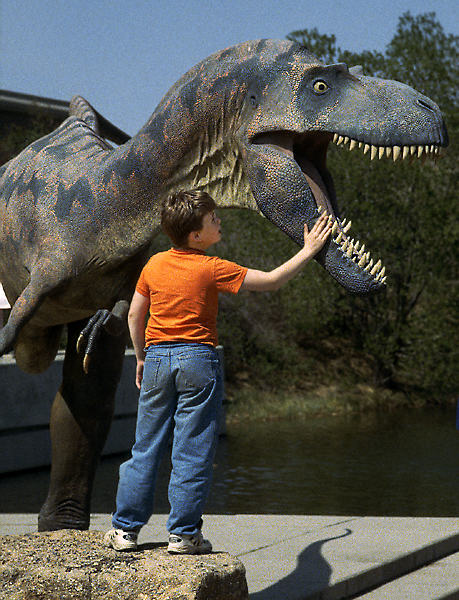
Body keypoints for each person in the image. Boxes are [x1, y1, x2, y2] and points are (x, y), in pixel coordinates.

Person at [104, 190, 331, 554]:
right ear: (196, 235)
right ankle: (183, 535)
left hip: (158, 358)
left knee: (145, 447)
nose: (219, 223)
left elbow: (135, 315)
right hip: (198, 359)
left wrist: (142, 357)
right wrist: (308, 250)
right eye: (213, 220)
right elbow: (271, 280)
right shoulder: (211, 268)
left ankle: (125, 531)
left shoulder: (153, 266)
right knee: (192, 450)